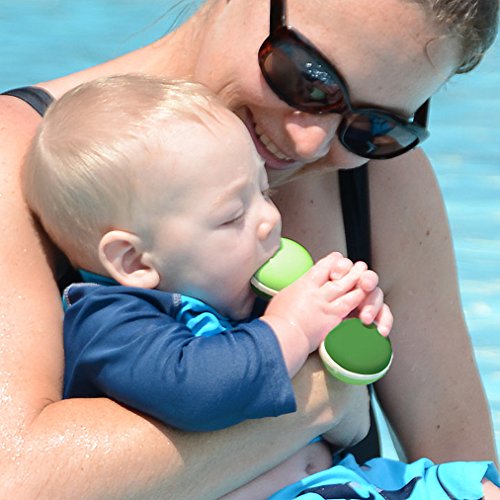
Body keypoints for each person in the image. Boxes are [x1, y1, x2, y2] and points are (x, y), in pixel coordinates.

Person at [0, 0, 498, 497]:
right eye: (310, 76)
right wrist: (325, 398)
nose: (310, 144)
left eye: (377, 125)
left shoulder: (380, 182)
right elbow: (16, 481)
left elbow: (471, 471)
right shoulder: (19, 158)